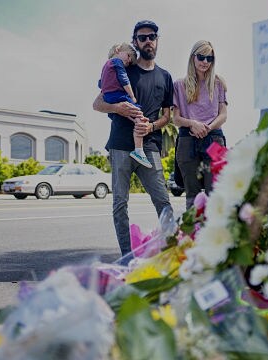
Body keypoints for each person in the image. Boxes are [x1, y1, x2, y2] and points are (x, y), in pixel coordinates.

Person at [92, 20, 173, 257]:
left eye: (152, 36)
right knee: (119, 205)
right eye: (142, 37)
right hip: (120, 146)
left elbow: (167, 116)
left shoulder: (165, 77)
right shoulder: (123, 69)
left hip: (149, 148)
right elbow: (97, 104)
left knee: (163, 202)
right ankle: (127, 257)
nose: (148, 40)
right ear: (136, 42)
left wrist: (151, 126)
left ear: (157, 41)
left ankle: (171, 254)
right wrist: (120, 109)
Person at [172, 40, 228, 209]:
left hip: (214, 139)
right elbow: (175, 118)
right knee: (193, 198)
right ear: (193, 57)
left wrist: (207, 128)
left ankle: (216, 234)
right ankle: (193, 235)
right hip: (187, 140)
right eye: (201, 57)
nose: (205, 62)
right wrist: (192, 124)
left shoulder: (218, 83)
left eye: (209, 58)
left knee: (215, 195)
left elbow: (223, 115)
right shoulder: (179, 85)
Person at [98, 42, 152, 168]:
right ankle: (139, 150)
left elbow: (100, 84)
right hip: (118, 95)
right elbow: (124, 79)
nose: (128, 61)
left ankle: (138, 121)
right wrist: (132, 96)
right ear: (117, 50)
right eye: (128, 56)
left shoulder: (105, 67)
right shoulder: (117, 62)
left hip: (109, 97)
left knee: (133, 116)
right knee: (139, 114)